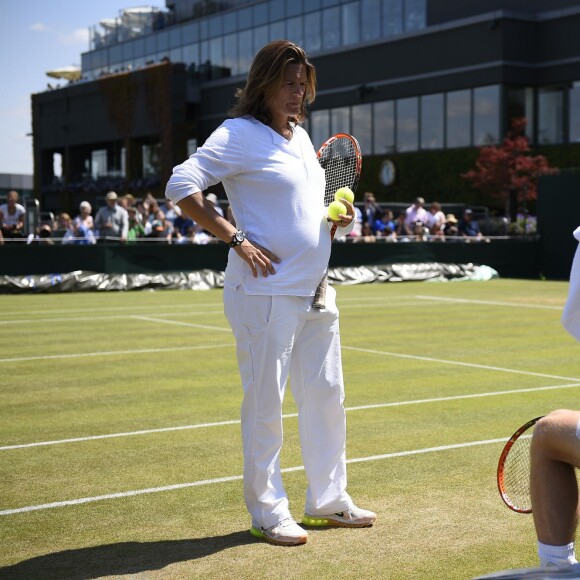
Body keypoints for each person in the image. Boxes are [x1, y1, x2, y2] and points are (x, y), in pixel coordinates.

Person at [165, 40, 376, 546]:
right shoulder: (238, 134)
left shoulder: (301, 138)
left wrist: (338, 219)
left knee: (327, 397)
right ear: (263, 85)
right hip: (263, 293)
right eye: (288, 84)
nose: (297, 93)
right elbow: (180, 185)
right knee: (265, 403)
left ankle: (328, 499)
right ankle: (267, 511)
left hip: (317, 293)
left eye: (303, 84)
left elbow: (308, 213)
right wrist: (235, 238)